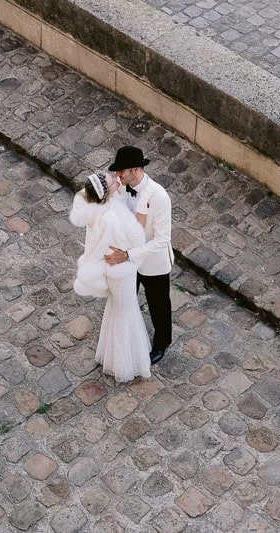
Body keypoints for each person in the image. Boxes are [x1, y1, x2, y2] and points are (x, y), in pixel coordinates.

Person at [69, 172, 151, 382]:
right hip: (120, 271)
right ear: (104, 194)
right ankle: (125, 364)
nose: (115, 178)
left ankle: (110, 353)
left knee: (116, 309)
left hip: (112, 270)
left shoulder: (96, 207)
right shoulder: (110, 219)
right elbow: (126, 246)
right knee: (125, 313)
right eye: (111, 180)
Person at [104, 145, 174, 364]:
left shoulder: (159, 196)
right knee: (125, 299)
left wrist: (128, 254)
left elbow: (162, 240)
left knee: (158, 305)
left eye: (121, 171)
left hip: (153, 262)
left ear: (135, 170)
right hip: (128, 261)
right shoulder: (123, 187)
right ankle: (126, 340)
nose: (118, 175)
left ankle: (161, 343)